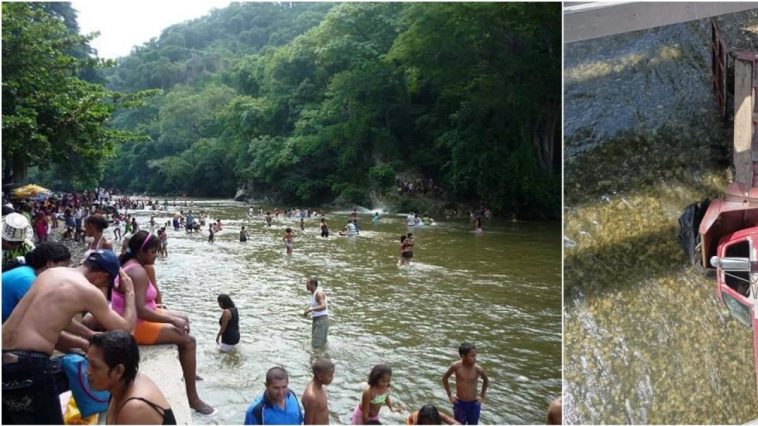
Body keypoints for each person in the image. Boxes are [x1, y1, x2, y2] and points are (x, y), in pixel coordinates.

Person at [2, 250, 136, 425]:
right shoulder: (88, 291)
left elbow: (52, 317)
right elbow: (126, 329)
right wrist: (130, 293)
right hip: (28, 364)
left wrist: (88, 335)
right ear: (102, 277)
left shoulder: (49, 274)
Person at [109, 230, 214, 414]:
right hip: (136, 324)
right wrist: (171, 319)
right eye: (154, 251)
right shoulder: (138, 271)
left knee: (184, 318)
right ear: (142, 251)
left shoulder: (132, 264)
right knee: (189, 341)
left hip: (136, 315)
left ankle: (188, 369)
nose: (157, 254)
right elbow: (141, 310)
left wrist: (171, 316)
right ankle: (193, 399)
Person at [87, 330, 177, 425]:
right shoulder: (122, 384)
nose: (87, 371)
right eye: (88, 363)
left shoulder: (134, 409)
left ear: (118, 371)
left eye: (94, 366)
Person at [2, 242, 71, 323]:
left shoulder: (27, 271)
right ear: (49, 264)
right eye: (62, 267)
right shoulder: (28, 280)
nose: (64, 272)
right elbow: (42, 319)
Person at [442, 343, 489, 425]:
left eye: (475, 355)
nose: (475, 358)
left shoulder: (478, 369)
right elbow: (445, 378)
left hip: (474, 404)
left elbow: (486, 380)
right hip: (459, 403)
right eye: (472, 356)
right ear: (463, 356)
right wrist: (450, 395)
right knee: (459, 424)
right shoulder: (456, 366)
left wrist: (482, 396)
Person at [302, 358, 335, 425]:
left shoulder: (319, 387)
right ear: (320, 376)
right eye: (330, 375)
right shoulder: (312, 396)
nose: (332, 378)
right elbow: (308, 423)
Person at [303, 276, 329, 348]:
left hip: (321, 321)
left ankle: (320, 358)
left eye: (307, 283)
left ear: (312, 284)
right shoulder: (314, 294)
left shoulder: (318, 293)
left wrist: (310, 309)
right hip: (317, 320)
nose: (306, 285)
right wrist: (307, 312)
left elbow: (323, 306)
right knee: (318, 344)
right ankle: (322, 358)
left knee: (316, 345)